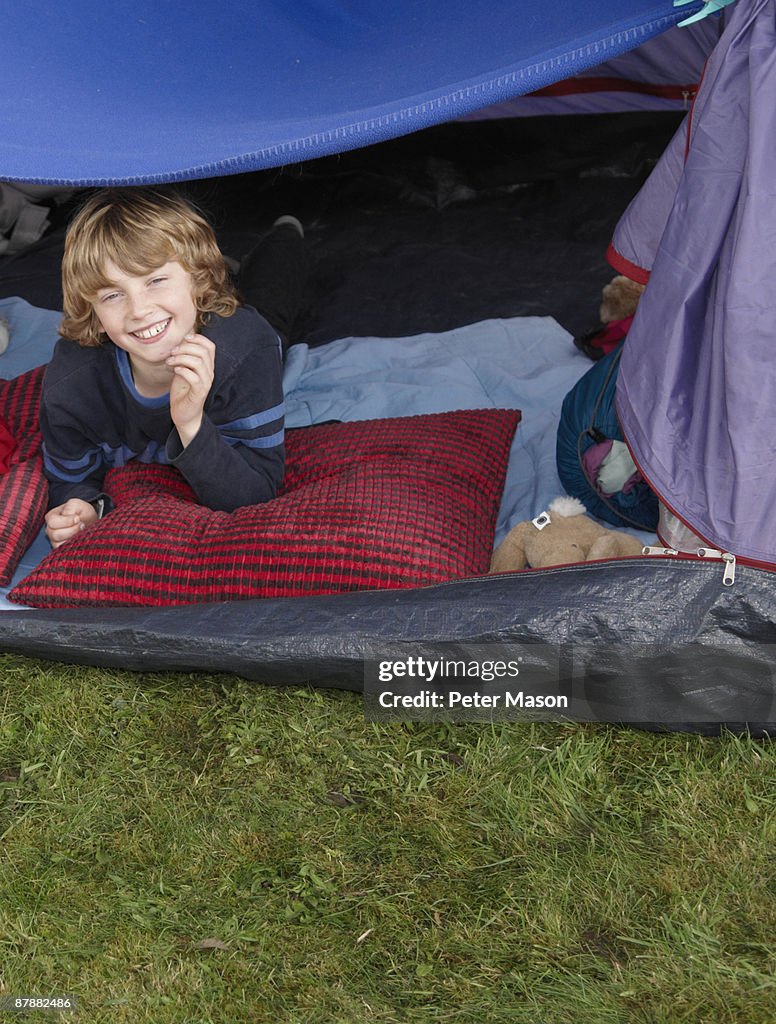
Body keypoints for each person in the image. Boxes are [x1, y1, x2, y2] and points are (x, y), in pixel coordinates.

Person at [41, 187, 307, 548]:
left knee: (270, 301)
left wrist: (190, 424)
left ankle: (285, 235)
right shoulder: (71, 384)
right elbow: (69, 479)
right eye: (113, 295)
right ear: (95, 315)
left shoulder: (246, 348)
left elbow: (256, 493)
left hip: (234, 326)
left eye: (155, 280)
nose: (138, 310)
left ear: (197, 279)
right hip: (193, 310)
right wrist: (85, 507)